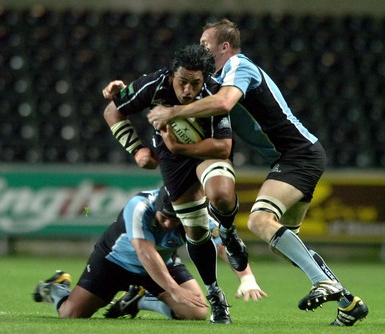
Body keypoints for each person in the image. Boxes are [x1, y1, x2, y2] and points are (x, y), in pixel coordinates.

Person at [147, 19, 368, 327]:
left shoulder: (239, 66)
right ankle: (348, 302)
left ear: (224, 47)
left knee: (259, 220)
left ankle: (327, 284)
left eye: (205, 44)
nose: (201, 49)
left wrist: (173, 112)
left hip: (298, 155)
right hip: (296, 156)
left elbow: (224, 103)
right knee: (287, 244)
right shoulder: (213, 78)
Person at [102, 44, 249, 323]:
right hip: (173, 161)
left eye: (195, 83)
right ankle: (215, 293)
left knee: (220, 195)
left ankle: (229, 233)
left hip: (208, 151)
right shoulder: (153, 84)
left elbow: (223, 147)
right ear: (172, 74)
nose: (188, 91)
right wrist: (137, 149)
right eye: (183, 82)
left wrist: (181, 148)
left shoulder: (215, 93)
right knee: (195, 231)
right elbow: (113, 110)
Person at [33, 187, 267, 321]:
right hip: (114, 262)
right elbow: (145, 253)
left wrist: (246, 279)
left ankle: (141, 299)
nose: (167, 224)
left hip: (162, 262)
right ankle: (56, 288)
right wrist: (174, 291)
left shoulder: (196, 215)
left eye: (173, 219)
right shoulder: (139, 205)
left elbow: (223, 245)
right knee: (71, 314)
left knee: (197, 312)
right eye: (163, 216)